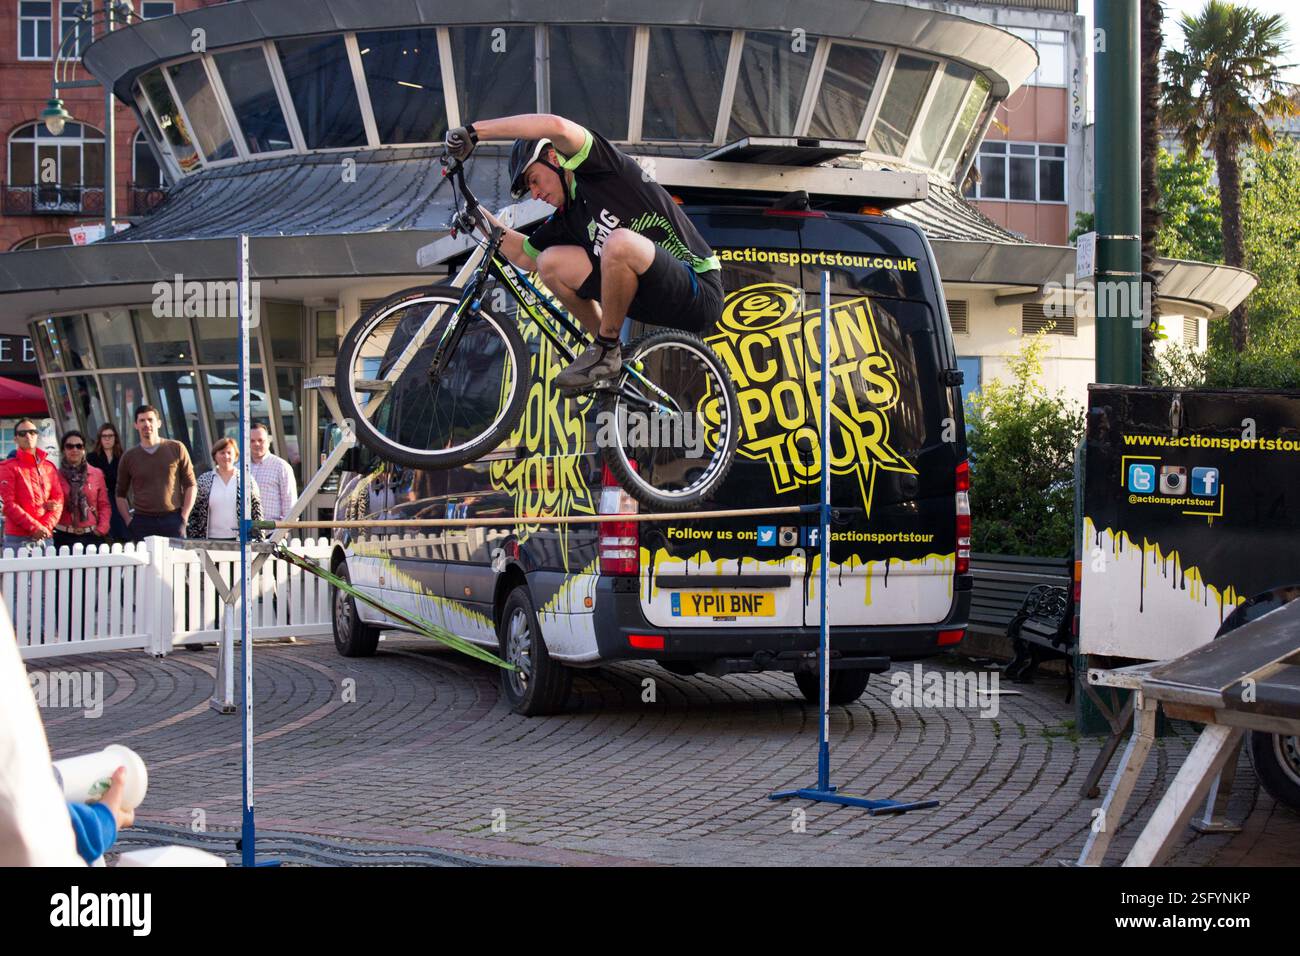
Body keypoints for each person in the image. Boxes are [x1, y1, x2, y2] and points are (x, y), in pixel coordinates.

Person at [444, 114, 724, 389]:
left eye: (534, 180)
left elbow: (556, 126)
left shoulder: (600, 167)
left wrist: (474, 132)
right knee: (548, 261)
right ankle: (612, 356)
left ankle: (605, 347)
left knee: (619, 242)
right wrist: (478, 215)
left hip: (697, 288)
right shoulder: (568, 217)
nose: (535, 194)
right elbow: (523, 257)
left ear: (553, 158)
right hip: (647, 298)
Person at [116, 405, 196, 542]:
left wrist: (184, 516)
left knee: (174, 562)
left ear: (158, 423)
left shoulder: (176, 448)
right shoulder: (129, 456)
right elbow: (120, 493)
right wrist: (129, 521)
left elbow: (191, 484)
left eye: (150, 419)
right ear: (136, 425)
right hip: (142, 521)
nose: (146, 424)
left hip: (173, 519)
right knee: (145, 563)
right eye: (142, 420)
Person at [0, 418, 63, 552]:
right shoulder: (7, 467)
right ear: (15, 439)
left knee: (48, 573)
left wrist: (45, 527)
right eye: (22, 433)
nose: (28, 436)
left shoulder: (49, 467)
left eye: (32, 432)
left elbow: (59, 500)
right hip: (18, 538)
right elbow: (9, 504)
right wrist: (36, 528)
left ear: (37, 435)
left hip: (45, 536)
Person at [186, 436, 263, 540]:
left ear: (235, 456)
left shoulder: (247, 480)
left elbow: (256, 511)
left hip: (241, 541)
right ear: (215, 456)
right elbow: (195, 513)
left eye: (229, 453)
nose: (226, 456)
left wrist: (259, 538)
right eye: (222, 452)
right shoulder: (204, 480)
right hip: (210, 540)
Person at [53, 430, 110, 550]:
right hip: (63, 537)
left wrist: (101, 529)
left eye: (79, 446)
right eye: (70, 446)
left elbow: (104, 505)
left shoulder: (96, 473)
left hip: (92, 537)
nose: (75, 450)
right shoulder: (54, 476)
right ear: (63, 450)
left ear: (84, 449)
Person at [248, 422, 297, 523]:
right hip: (244, 533)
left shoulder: (281, 467)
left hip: (272, 533)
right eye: (252, 441)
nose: (256, 444)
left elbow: (290, 503)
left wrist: (283, 531)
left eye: (260, 440)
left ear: (268, 442)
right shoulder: (239, 468)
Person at [87, 423, 128, 542]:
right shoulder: (92, 457)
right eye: (104, 436)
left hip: (119, 496)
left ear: (115, 438)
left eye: (110, 436)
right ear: (100, 439)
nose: (107, 439)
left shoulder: (122, 457)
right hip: (100, 497)